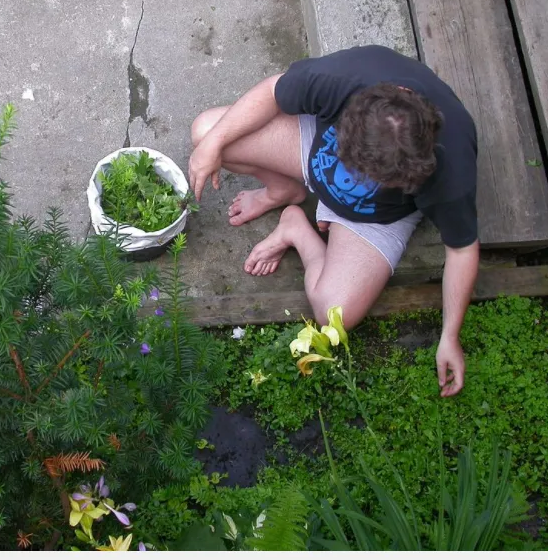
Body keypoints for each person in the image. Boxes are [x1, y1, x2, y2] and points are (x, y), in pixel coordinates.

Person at [188, 44, 478, 398]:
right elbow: (271, 92)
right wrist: (212, 145)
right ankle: (282, 191)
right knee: (208, 132)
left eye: (368, 176)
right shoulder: (351, 74)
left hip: (375, 218)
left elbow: (462, 251)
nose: (351, 177)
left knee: (333, 315)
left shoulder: (451, 165)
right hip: (312, 152)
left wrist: (450, 336)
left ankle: (296, 227)